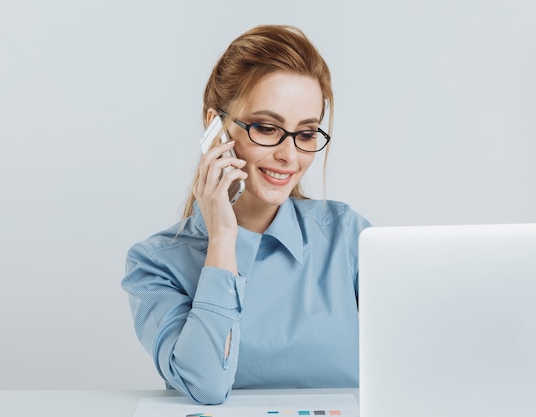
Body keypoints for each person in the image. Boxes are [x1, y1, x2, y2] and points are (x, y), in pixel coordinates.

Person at [121, 24, 371, 405]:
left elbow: (417, 360)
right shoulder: (156, 264)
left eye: (305, 134)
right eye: (267, 128)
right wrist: (223, 240)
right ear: (215, 130)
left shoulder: (347, 238)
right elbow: (205, 385)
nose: (289, 156)